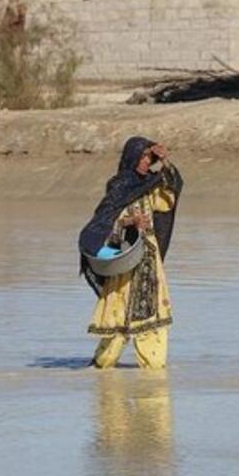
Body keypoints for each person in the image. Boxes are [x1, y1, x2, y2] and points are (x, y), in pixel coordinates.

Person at [78, 136, 183, 369]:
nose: (146, 161)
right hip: (125, 259)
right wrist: (130, 221)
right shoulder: (117, 186)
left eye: (149, 156)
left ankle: (154, 371)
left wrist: (165, 161)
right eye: (143, 156)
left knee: (153, 317)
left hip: (148, 258)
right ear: (132, 157)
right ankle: (103, 365)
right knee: (118, 316)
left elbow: (169, 197)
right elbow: (106, 222)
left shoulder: (152, 184)